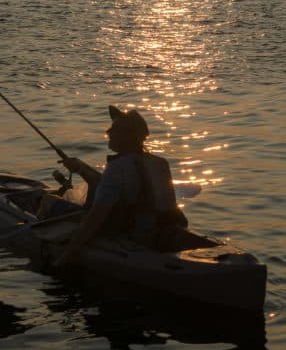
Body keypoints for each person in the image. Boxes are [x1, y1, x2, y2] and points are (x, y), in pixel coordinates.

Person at [55, 105, 188, 266]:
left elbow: (96, 217)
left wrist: (67, 255)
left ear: (128, 136)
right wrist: (81, 168)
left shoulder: (117, 168)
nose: (108, 132)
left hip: (131, 240)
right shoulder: (160, 163)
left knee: (51, 203)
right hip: (161, 235)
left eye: (114, 129)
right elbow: (110, 185)